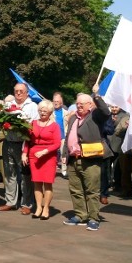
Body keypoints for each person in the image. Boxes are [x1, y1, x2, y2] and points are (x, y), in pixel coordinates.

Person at [63, 88, 111, 231]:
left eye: (83, 103)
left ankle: (93, 218)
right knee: (75, 190)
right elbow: (68, 138)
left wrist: (96, 96)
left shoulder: (96, 115)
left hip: (91, 159)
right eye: (78, 103)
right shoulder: (73, 117)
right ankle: (80, 215)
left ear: (90, 104)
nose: (79, 106)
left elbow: (106, 112)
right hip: (74, 159)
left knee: (92, 190)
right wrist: (65, 155)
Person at [0, 83, 38, 214]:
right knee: (9, 173)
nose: (19, 93)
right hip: (9, 142)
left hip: (23, 145)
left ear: (27, 92)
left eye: (21, 91)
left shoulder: (32, 106)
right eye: (16, 91)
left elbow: (34, 126)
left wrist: (22, 127)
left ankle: (27, 203)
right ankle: (10, 201)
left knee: (25, 175)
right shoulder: (9, 105)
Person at [22, 100, 62, 220]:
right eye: (40, 110)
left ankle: (46, 208)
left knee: (47, 184)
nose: (42, 113)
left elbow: (57, 143)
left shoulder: (54, 126)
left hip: (49, 156)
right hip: (34, 156)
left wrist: (45, 151)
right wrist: (24, 153)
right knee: (37, 183)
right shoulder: (33, 123)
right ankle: (38, 207)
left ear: (50, 112)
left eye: (45, 111)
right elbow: (27, 140)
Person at [52, 92, 69, 178]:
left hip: (63, 136)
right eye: (54, 101)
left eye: (57, 101)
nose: (55, 103)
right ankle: (52, 171)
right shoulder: (50, 112)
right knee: (52, 155)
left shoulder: (66, 112)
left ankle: (64, 171)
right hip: (52, 137)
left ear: (61, 102)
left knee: (64, 154)